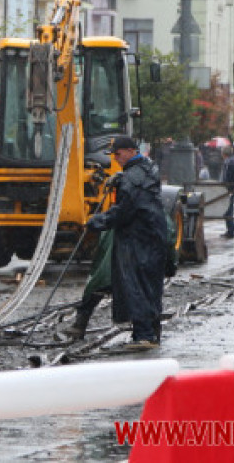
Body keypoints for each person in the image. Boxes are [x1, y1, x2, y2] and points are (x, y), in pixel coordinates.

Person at [82, 136, 168, 348]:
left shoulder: (131, 178)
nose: (116, 159)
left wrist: (96, 221)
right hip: (154, 235)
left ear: (130, 151)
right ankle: (153, 333)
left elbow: (124, 211)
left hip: (136, 238)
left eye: (118, 155)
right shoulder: (149, 168)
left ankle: (144, 336)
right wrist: (121, 177)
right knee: (151, 285)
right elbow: (142, 185)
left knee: (135, 284)